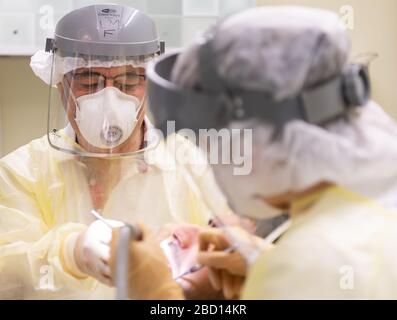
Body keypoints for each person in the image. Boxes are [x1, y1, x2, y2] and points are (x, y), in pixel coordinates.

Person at [113, 6, 397, 299]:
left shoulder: (313, 261)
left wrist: (157, 295)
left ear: (254, 143)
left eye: (212, 150)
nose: (217, 167)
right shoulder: (373, 202)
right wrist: (266, 264)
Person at [0, 4, 234, 299]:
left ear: (149, 84)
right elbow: (6, 275)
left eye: (128, 81)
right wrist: (71, 252)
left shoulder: (194, 167)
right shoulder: (20, 173)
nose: (110, 97)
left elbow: (232, 264)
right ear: (60, 84)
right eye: (87, 79)